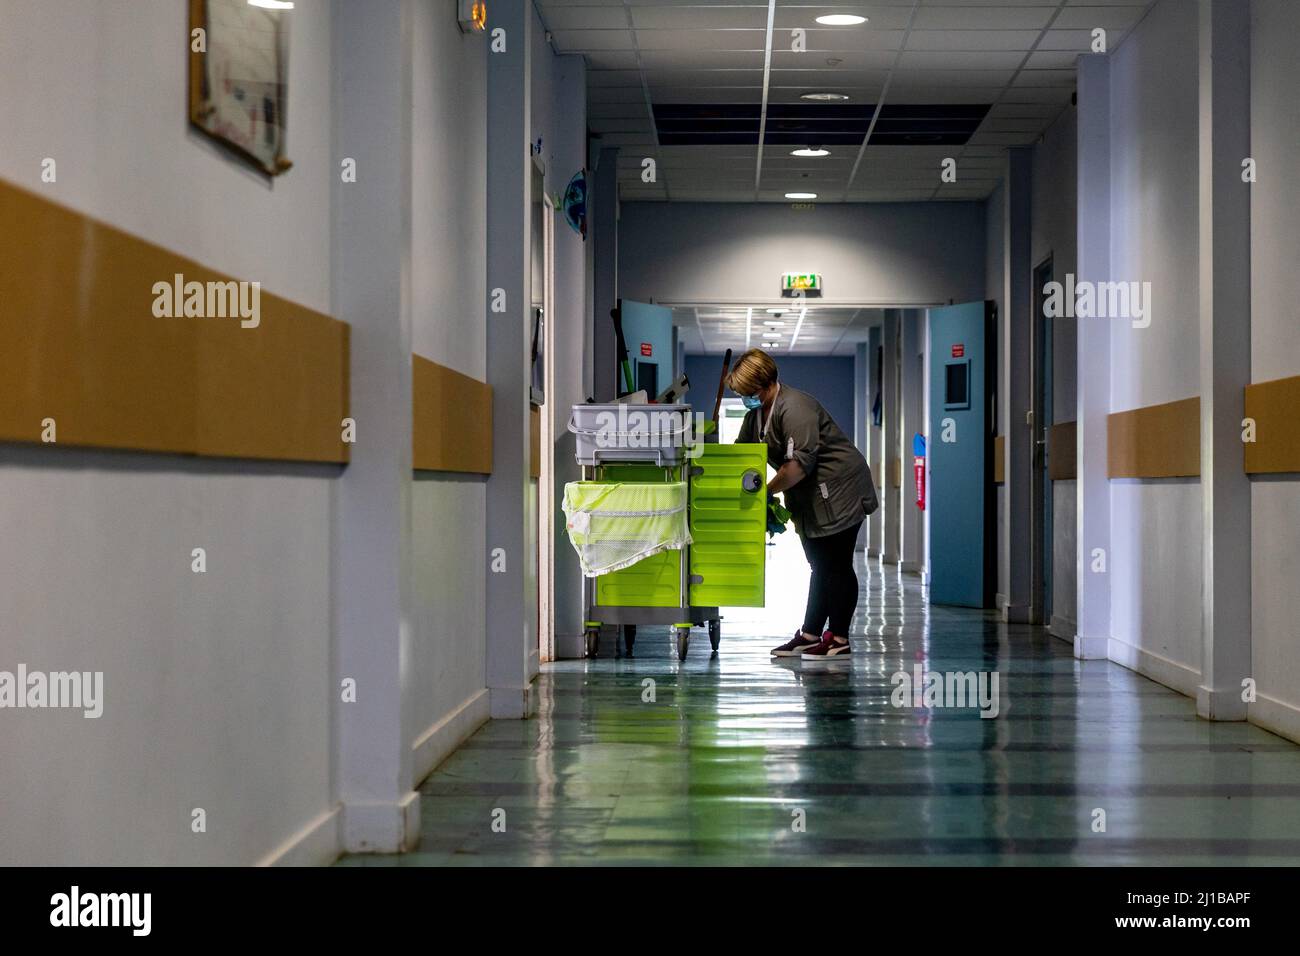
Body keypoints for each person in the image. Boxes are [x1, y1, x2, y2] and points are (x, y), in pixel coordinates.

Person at [729, 349, 878, 660]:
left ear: (765, 383)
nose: (746, 398)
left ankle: (838, 638)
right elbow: (739, 455)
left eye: (748, 392)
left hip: (841, 488)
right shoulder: (756, 414)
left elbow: (799, 465)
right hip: (811, 495)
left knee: (835, 565)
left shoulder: (796, 408)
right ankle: (810, 635)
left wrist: (765, 492)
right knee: (819, 564)